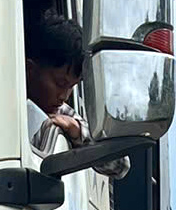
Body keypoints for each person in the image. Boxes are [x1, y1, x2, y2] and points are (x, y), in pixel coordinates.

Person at [24, 12, 130, 179]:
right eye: (60, 83)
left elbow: (121, 164)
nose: (64, 96)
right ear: (30, 70)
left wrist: (78, 132)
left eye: (71, 87)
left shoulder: (62, 113)